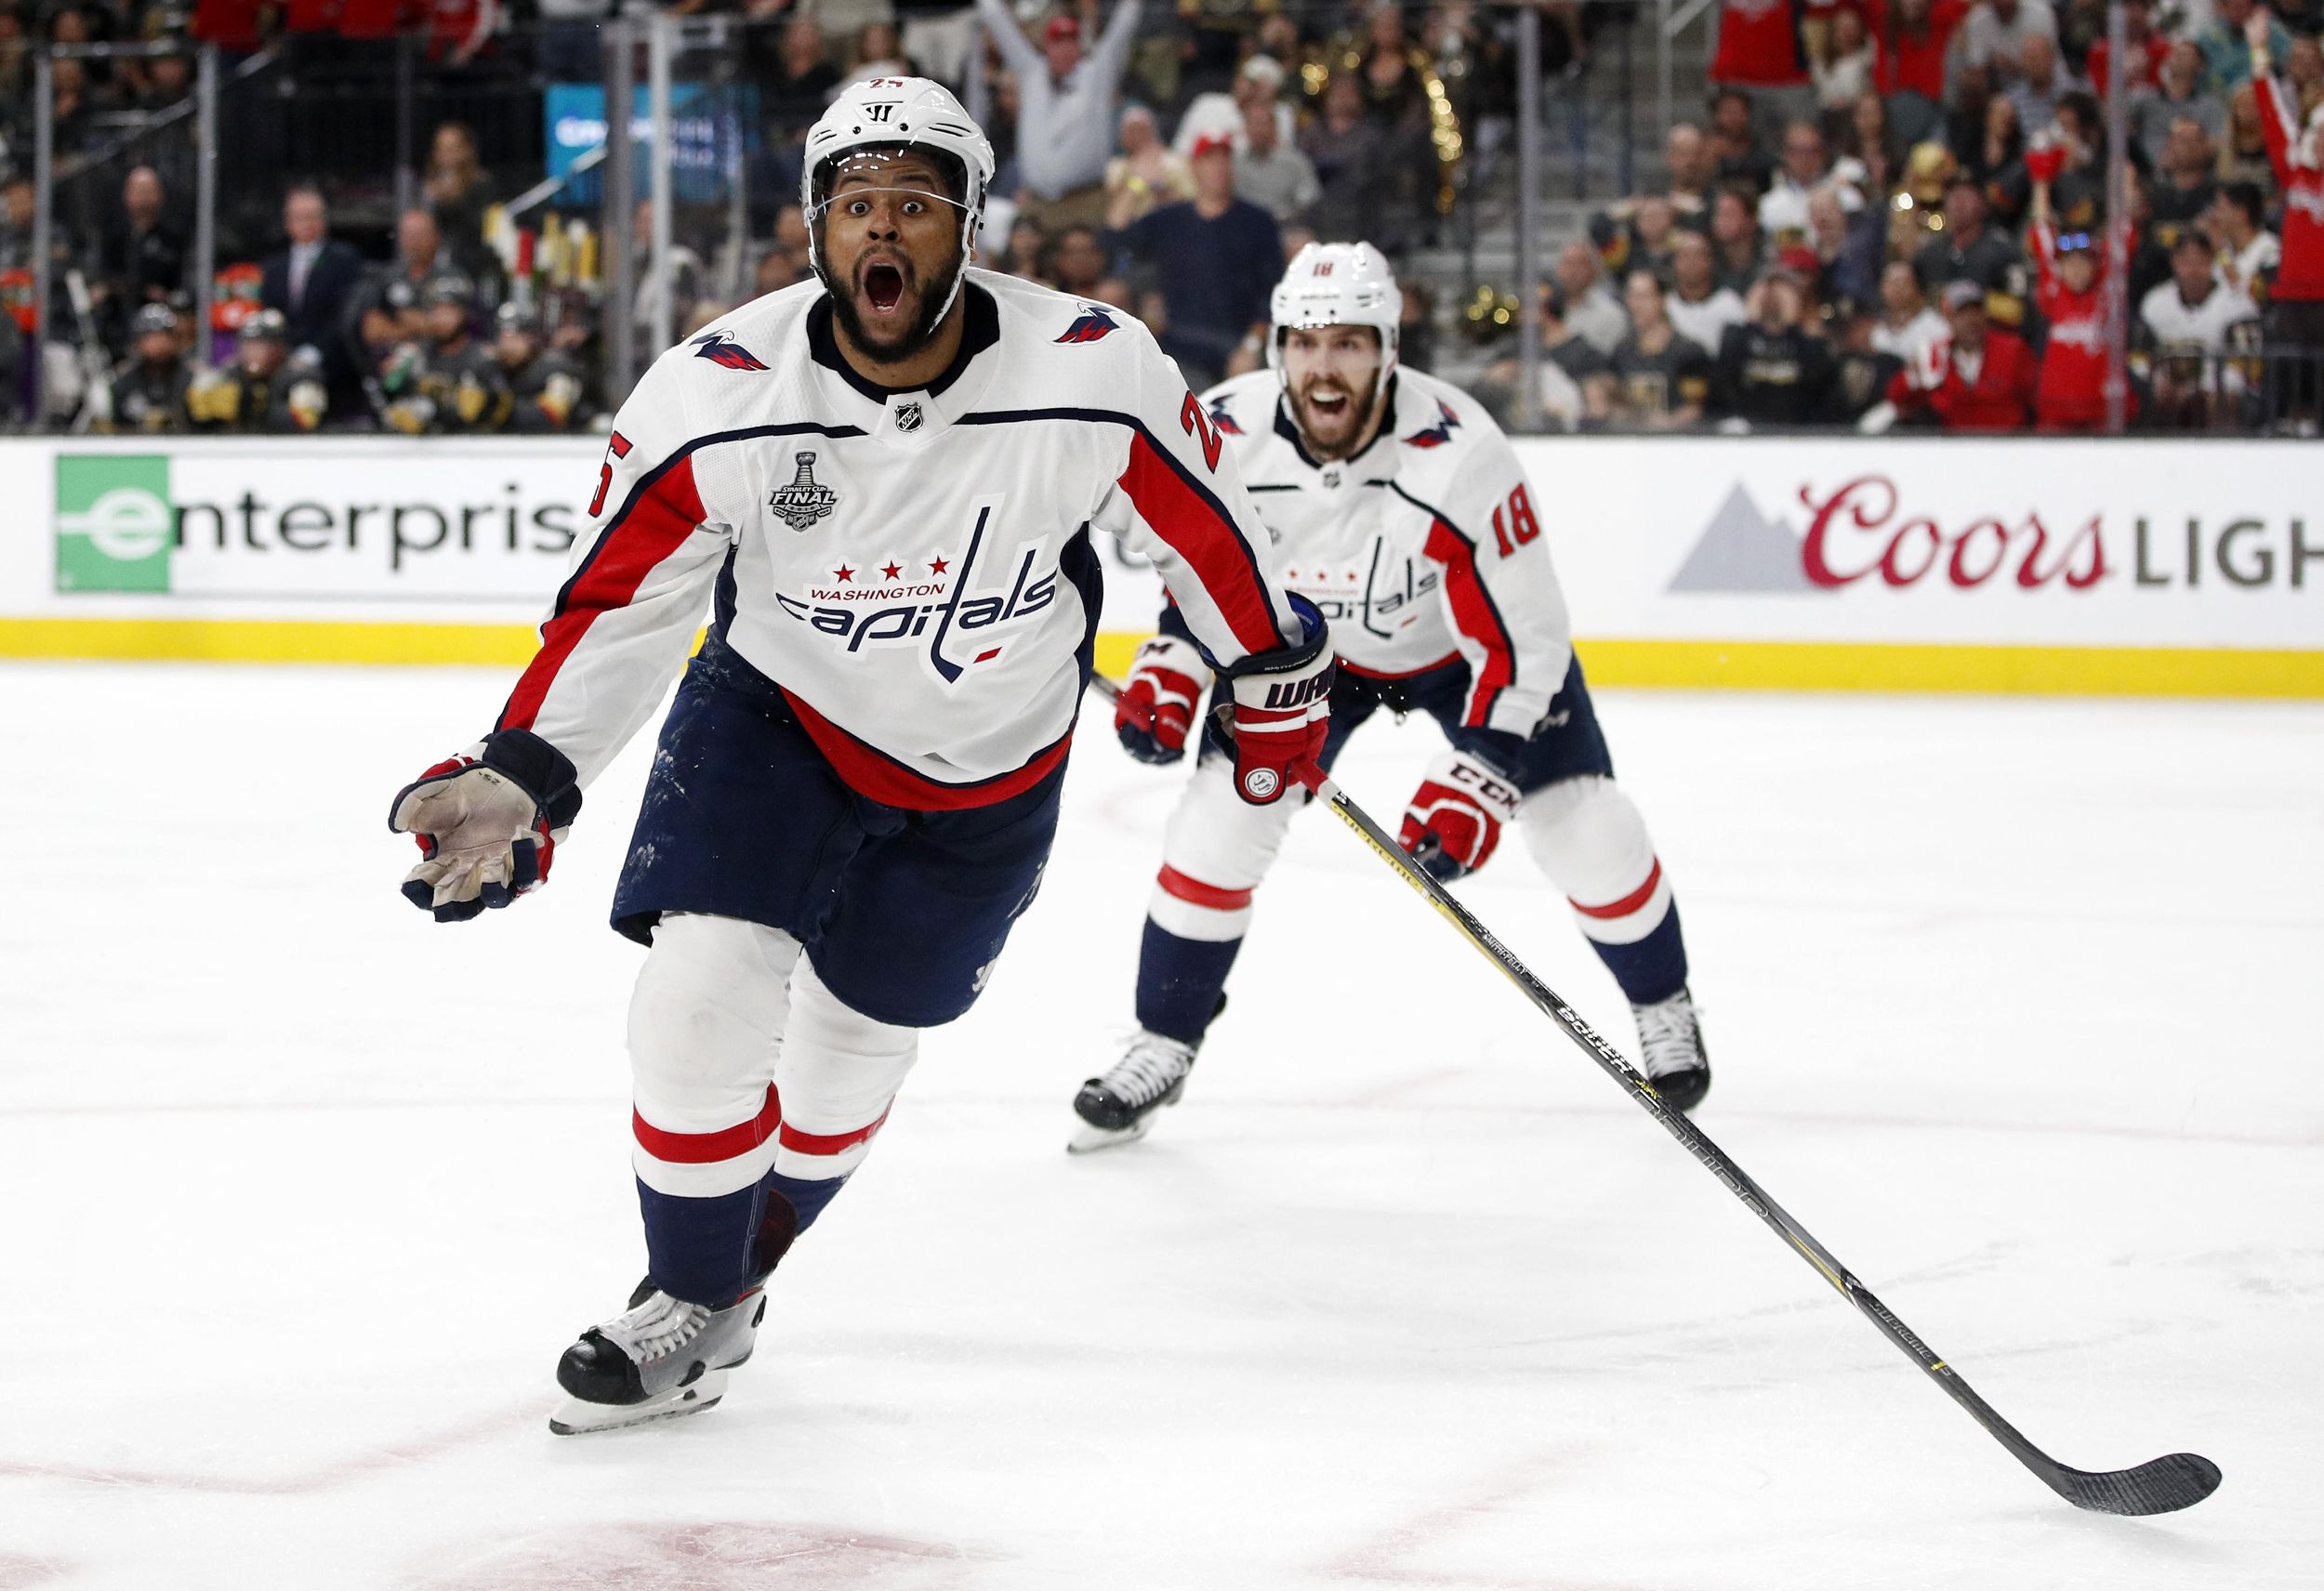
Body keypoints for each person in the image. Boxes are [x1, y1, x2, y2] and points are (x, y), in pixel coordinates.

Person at [385, 78, 1330, 1436]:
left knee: (841, 1077)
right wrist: (530, 768)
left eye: (916, 207)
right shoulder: (715, 391)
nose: (883, 230)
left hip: (990, 768)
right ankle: (688, 1301)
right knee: (697, 1007)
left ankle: (739, 1275)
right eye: (857, 206)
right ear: (816, 229)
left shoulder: (1090, 365)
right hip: (775, 718)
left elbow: (1207, 530)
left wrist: (1270, 664)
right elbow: (619, 606)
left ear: (969, 228)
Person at [1077, 242, 1709, 1153]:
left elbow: (1521, 635)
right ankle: (1160, 1040)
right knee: (1218, 822)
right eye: (1304, 342)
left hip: (1457, 655)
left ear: (1387, 350)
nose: (1323, 366)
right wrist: (1177, 652)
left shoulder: (1462, 455)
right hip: (1305, 658)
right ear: (1276, 346)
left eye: (1347, 343)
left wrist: (1483, 766)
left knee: (1583, 823)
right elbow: (1201, 561)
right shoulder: (1222, 431)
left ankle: (1663, 1003)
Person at [1119, 133, 1282, 390]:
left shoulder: (1258, 221)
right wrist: (1138, 183)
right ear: (1194, 166)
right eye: (1209, 159)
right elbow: (1115, 238)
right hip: (1181, 347)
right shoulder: (1169, 220)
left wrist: (1251, 346)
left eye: (1224, 159)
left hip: (1240, 345)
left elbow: (1274, 291)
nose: (1218, 167)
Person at [973, 0, 1143, 231]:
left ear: (1079, 46)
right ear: (1047, 46)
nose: (1065, 49)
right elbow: (998, 21)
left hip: (1084, 202)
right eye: (1058, 42)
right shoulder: (1031, 73)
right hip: (1037, 204)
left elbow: (1124, 26)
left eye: (1071, 42)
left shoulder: (1097, 75)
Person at [2248, 14, 2324, 424]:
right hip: (2293, 297)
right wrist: (2260, 54)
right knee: (2281, 385)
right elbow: (2271, 112)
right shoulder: (2294, 168)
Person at [2025, 147, 2116, 430]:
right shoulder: (2054, 291)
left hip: (2098, 409)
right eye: (2070, 263)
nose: (2076, 269)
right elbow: (2041, 231)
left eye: (2084, 263)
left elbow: (2122, 236)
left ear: (2095, 266)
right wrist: (2041, 182)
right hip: (2054, 408)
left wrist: (2123, 182)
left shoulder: (2106, 293)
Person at [2137, 226, 2260, 426]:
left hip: (2218, 385)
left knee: (2225, 389)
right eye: (2186, 262)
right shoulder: (2155, 303)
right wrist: (2155, 381)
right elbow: (2140, 357)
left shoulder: (2235, 303)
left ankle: (2221, 449)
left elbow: (2247, 365)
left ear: (2211, 262)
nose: (2193, 270)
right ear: (2174, 262)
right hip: (2170, 382)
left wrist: (2199, 388)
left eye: (2200, 261)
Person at [261, 184, 366, 417]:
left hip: (332, 371)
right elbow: (270, 314)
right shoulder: (274, 267)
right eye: (299, 217)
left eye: (313, 216)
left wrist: (313, 353)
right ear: (288, 222)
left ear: (324, 220)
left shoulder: (344, 261)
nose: (307, 223)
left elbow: (345, 316)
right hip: (282, 367)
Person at [1885, 279, 2039, 428]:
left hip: (2009, 444)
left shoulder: (2013, 350)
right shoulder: (1936, 354)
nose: (1971, 320)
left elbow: (2037, 399)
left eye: (1977, 311)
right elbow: (1897, 397)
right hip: (1954, 447)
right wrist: (1914, 375)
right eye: (1962, 312)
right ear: (1948, 317)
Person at [1714, 266, 1835, 426]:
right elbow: (1724, 377)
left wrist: (1794, 326)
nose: (1773, 299)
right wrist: (1750, 321)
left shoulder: (1805, 340)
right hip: (1747, 428)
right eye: (1768, 290)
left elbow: (1817, 382)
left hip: (1796, 429)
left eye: (1782, 292)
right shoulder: (1739, 336)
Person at [184, 308, 328, 432]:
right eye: (247, 344)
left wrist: (251, 406)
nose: (251, 353)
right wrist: (205, 409)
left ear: (279, 347)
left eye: (259, 344)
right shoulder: (232, 372)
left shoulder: (301, 376)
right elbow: (197, 416)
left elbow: (304, 422)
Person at [1611, 270, 1714, 428]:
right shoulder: (1622, 351)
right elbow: (1616, 399)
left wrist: (1669, 424)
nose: (1635, 305)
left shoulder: (1689, 351)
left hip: (1677, 442)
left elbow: (1696, 407)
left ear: (1661, 300)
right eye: (1632, 297)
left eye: (1643, 297)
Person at [494, 300, 591, 432]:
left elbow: (552, 415)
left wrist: (500, 409)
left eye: (516, 338)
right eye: (504, 338)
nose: (509, 346)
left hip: (560, 447)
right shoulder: (492, 369)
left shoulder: (556, 369)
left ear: (532, 338)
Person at [99, 300, 192, 432]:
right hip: (136, 446)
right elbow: (115, 425)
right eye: (150, 336)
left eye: (163, 336)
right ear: (139, 341)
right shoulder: (123, 379)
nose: (157, 343)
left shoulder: (192, 376)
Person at [1666, 230, 1748, 353]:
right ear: (1675, 262)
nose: (1691, 263)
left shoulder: (1730, 304)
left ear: (1710, 261)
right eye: (1684, 256)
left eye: (1698, 256)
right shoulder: (1665, 305)